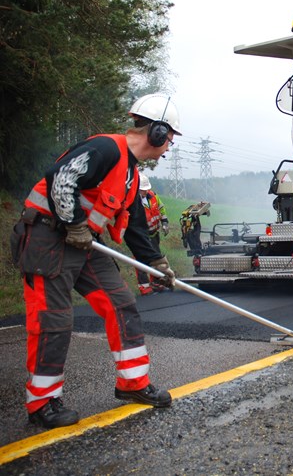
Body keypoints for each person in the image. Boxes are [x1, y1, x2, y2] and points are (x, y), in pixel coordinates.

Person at [10, 93, 181, 428]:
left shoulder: (131, 175)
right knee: (54, 321)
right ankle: (42, 402)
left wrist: (158, 264)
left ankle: (133, 384)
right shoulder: (105, 149)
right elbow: (61, 177)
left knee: (121, 304)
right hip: (49, 238)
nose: (170, 145)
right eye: (170, 138)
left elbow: (134, 229)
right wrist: (74, 223)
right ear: (158, 132)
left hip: (85, 244)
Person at [136, 172, 170, 296]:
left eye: (146, 189)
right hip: (141, 236)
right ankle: (145, 288)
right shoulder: (133, 201)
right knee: (141, 262)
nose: (145, 192)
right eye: (142, 190)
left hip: (154, 234)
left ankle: (156, 283)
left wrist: (165, 222)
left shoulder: (153, 196)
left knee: (156, 258)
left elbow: (161, 208)